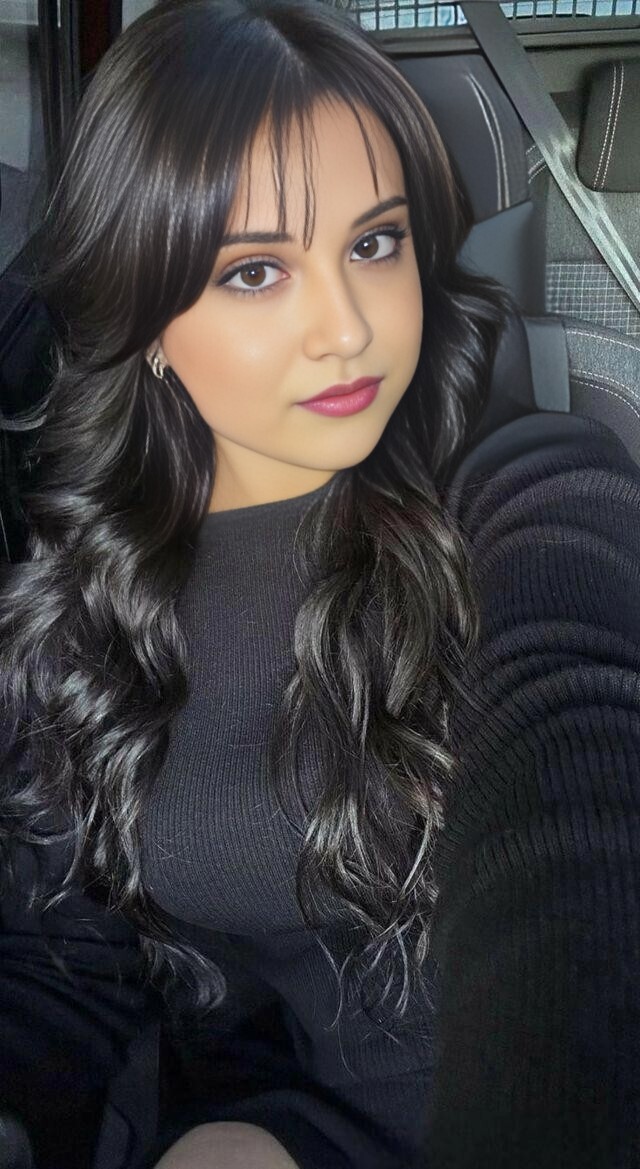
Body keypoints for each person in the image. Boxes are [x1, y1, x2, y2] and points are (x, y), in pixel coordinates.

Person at [1, 1, 639, 1168]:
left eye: (374, 244)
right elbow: (65, 967)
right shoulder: (85, 603)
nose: (345, 329)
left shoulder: (527, 481)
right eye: (255, 270)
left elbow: (581, 769)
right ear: (145, 319)